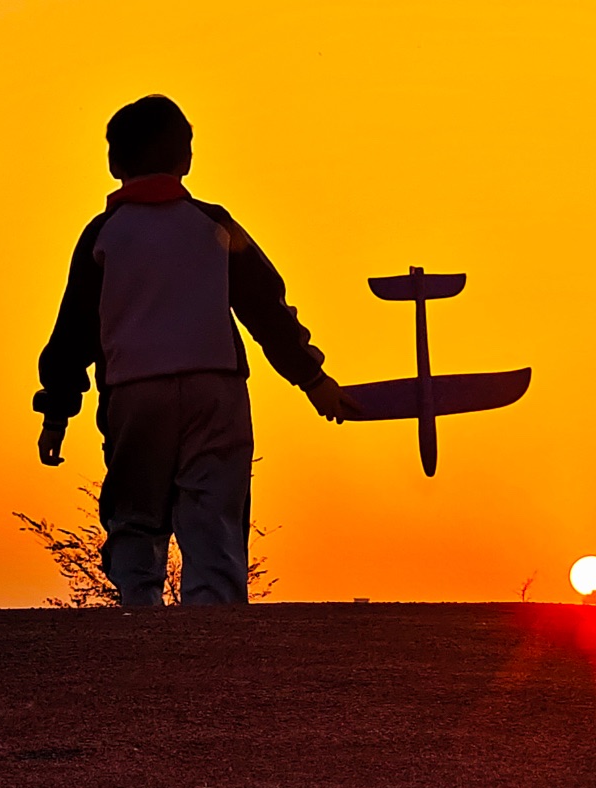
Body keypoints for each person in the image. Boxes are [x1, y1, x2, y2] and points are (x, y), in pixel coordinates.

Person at [32, 94, 358, 606]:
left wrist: (56, 412)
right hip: (216, 386)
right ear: (186, 157)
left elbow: (73, 333)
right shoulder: (215, 226)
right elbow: (266, 308)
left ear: (114, 162)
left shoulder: (103, 235)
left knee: (136, 512)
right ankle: (214, 625)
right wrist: (313, 380)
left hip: (134, 391)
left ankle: (139, 611)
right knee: (215, 515)